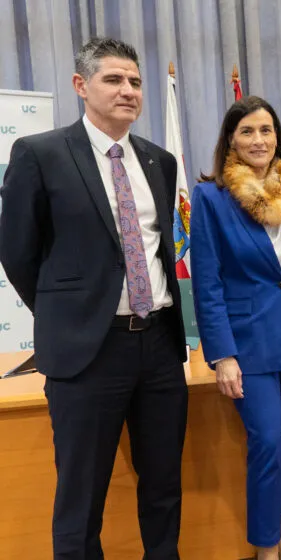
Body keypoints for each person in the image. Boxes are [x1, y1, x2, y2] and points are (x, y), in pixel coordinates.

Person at [0, 37, 188, 559]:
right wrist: (70, 313)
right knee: (81, 498)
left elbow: (157, 247)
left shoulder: (159, 160)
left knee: (164, 487)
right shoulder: (40, 154)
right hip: (87, 353)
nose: (128, 90)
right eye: (114, 79)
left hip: (159, 348)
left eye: (135, 81)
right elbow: (17, 252)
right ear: (82, 86)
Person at [190, 96, 281, 560]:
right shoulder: (211, 198)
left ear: (278, 137)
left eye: (266, 131)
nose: (259, 140)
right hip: (247, 345)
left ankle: (276, 529)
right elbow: (206, 282)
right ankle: (266, 547)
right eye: (248, 131)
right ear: (231, 138)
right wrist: (221, 353)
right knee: (268, 442)